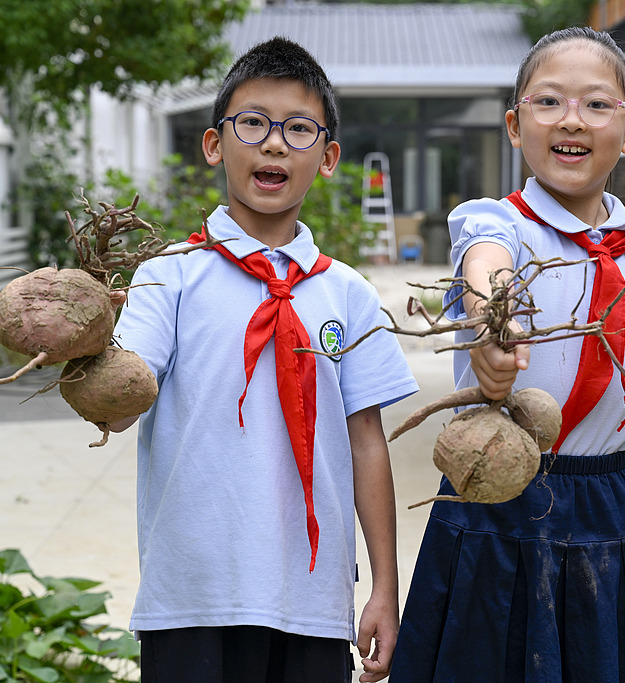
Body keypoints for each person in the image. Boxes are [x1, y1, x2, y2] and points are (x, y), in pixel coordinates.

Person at [391, 26, 625, 682]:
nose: (572, 120)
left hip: (611, 504)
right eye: (548, 102)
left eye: (597, 104)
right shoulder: (495, 223)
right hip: (495, 495)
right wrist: (492, 322)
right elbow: (486, 267)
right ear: (513, 125)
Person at [111, 37, 418, 683]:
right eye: (253, 122)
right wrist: (82, 351)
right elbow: (122, 394)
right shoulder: (168, 274)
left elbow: (368, 444)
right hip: (190, 595)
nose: (275, 143)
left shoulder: (349, 294)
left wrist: (385, 587)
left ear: (329, 156)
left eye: (299, 129)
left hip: (310, 599)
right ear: (215, 143)